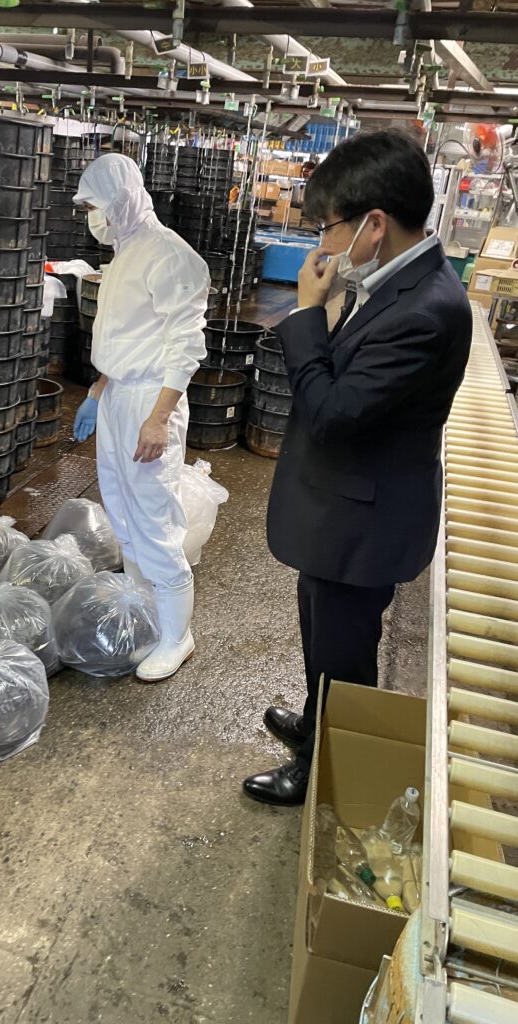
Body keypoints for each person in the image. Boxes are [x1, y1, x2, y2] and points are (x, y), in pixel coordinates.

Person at [243, 130, 472, 806]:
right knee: (324, 635)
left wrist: (308, 315)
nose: (324, 241)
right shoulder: (396, 281)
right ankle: (320, 720)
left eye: (329, 226)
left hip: (362, 524)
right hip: (341, 510)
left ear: (374, 224)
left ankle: (327, 772)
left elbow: (333, 414)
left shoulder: (427, 310)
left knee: (344, 655)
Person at [71, 154, 210, 682]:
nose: (93, 217)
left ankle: (177, 635)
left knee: (153, 518)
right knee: (122, 509)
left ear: (123, 201)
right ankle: (146, 613)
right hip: (118, 396)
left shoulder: (170, 255)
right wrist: (97, 390)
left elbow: (185, 346)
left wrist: (158, 419)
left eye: (97, 206)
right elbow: (123, 338)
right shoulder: (124, 254)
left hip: (151, 400)